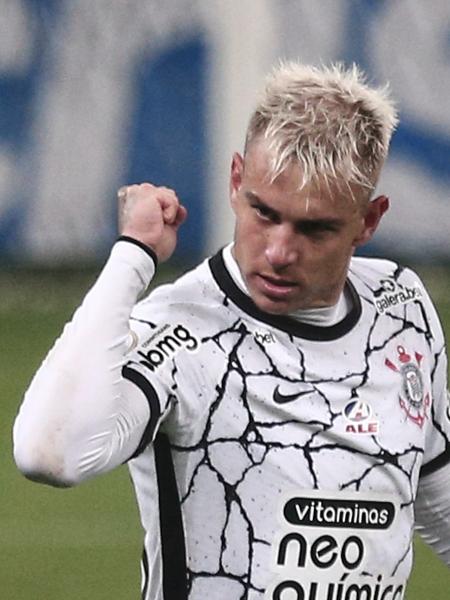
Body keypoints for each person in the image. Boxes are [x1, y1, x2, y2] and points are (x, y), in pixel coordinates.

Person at [13, 62, 450, 600]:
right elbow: (47, 453)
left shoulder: (400, 308)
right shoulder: (181, 327)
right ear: (236, 180)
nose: (279, 252)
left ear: (369, 220)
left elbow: (436, 495)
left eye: (315, 228)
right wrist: (131, 259)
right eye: (264, 213)